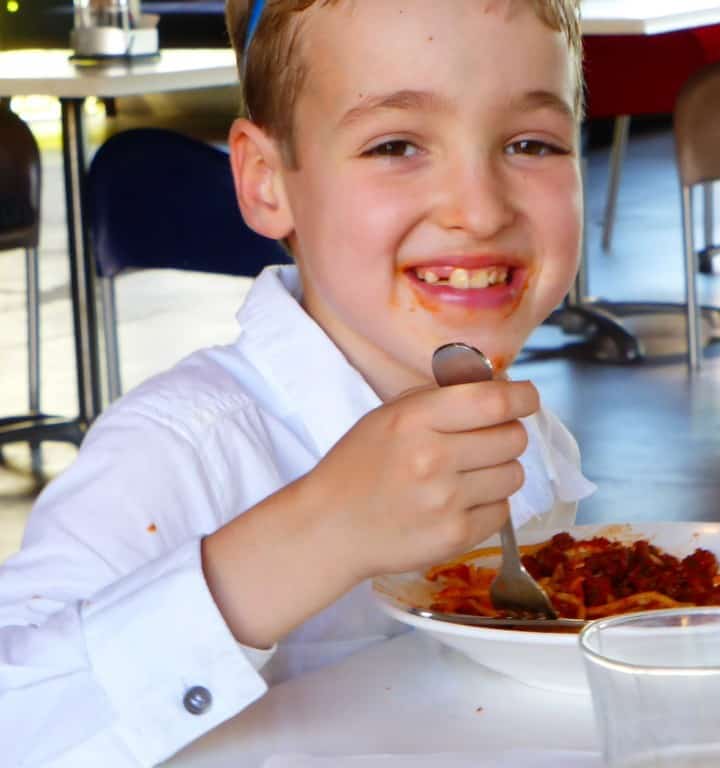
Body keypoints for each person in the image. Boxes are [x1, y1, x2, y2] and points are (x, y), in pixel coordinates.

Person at [0, 0, 593, 764]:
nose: (478, 211)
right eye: (395, 145)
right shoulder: (179, 452)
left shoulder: (527, 436)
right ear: (266, 181)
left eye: (529, 143)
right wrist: (319, 531)